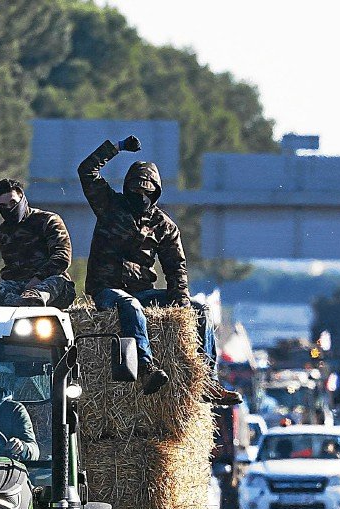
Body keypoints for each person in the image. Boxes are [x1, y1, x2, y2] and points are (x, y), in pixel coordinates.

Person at [78, 134, 232, 399]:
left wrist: (181, 303)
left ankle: (208, 381)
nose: (141, 196)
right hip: (108, 291)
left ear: (156, 193)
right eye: (136, 190)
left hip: (144, 291)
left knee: (201, 310)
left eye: (147, 192)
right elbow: (87, 170)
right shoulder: (109, 205)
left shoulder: (164, 225)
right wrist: (118, 147)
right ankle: (146, 367)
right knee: (130, 305)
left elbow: (176, 268)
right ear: (127, 188)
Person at [0, 179, 76, 308]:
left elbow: (62, 258)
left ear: (22, 198)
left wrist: (37, 280)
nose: (9, 208)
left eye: (13, 202)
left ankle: (33, 301)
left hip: (52, 283)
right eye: (3, 206)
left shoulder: (47, 220)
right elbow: (11, 269)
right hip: (20, 286)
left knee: (56, 281)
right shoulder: (1, 234)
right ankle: (22, 305)